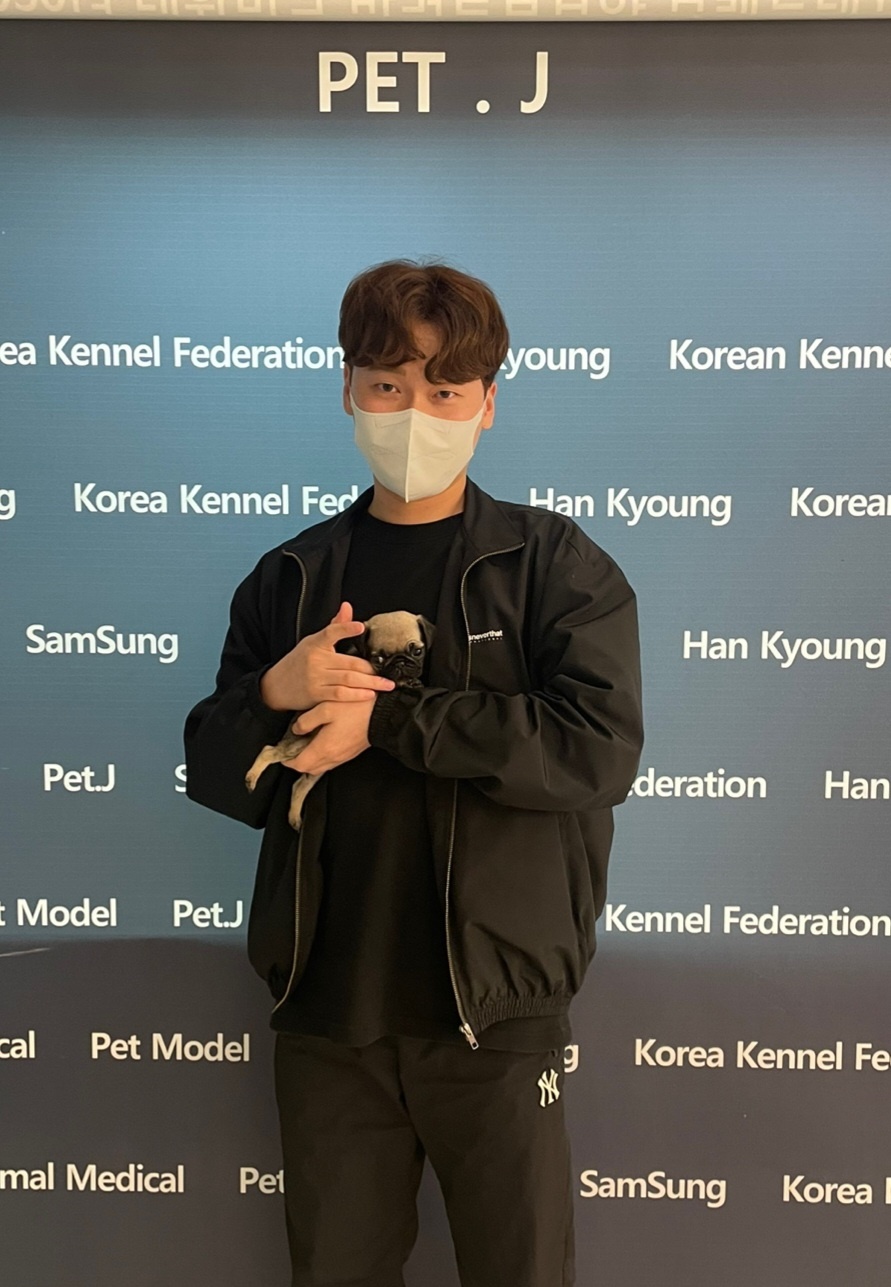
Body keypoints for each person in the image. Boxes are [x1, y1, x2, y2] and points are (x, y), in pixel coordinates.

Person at [183, 259, 643, 1287]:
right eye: (389, 384)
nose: (414, 414)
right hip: (326, 1013)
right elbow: (216, 776)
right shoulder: (291, 576)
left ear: (487, 404)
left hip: (493, 1013)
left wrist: (386, 724)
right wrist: (275, 692)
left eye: (444, 389)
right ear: (349, 389)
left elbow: (595, 749)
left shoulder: (553, 565)